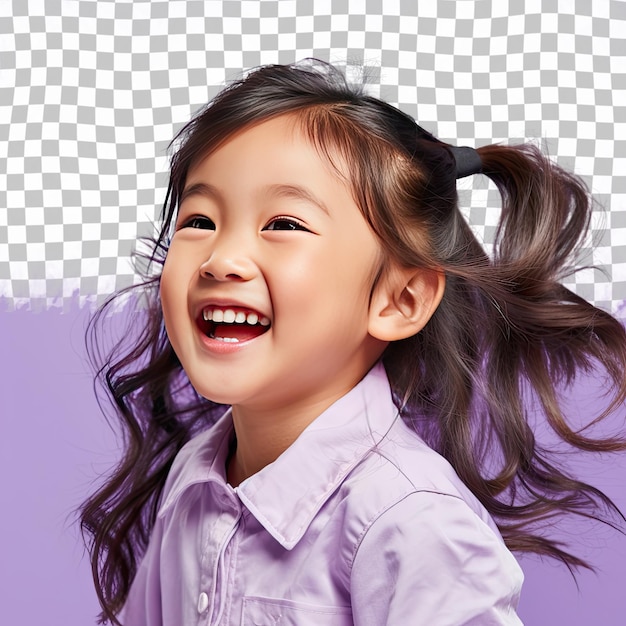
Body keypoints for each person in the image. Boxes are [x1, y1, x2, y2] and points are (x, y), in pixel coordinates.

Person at [80, 60, 626, 625]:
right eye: (199, 220)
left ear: (400, 300)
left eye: (284, 225)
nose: (221, 259)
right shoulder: (195, 478)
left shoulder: (411, 522)